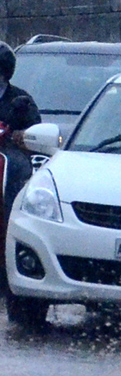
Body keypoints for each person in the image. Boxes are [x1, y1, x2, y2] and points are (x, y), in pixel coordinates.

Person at [0, 41, 42, 295]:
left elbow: (35, 131)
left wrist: (20, 135)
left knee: (17, 172)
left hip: (8, 158)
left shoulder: (21, 100)